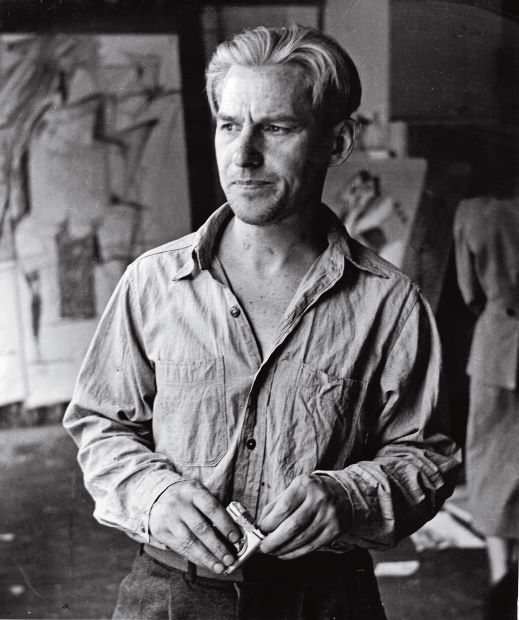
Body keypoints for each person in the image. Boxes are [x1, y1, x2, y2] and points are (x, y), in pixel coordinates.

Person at [64, 25, 461, 620]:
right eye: (229, 126)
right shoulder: (152, 284)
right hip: (171, 597)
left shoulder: (391, 303)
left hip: (325, 599)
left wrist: (349, 498)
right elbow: (100, 426)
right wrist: (155, 494)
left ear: (338, 141)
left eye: (276, 128)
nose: (243, 155)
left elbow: (427, 456)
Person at [453, 185, 519, 619]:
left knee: (492, 462)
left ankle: (500, 576)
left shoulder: (474, 213)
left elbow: (469, 291)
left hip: (495, 344)